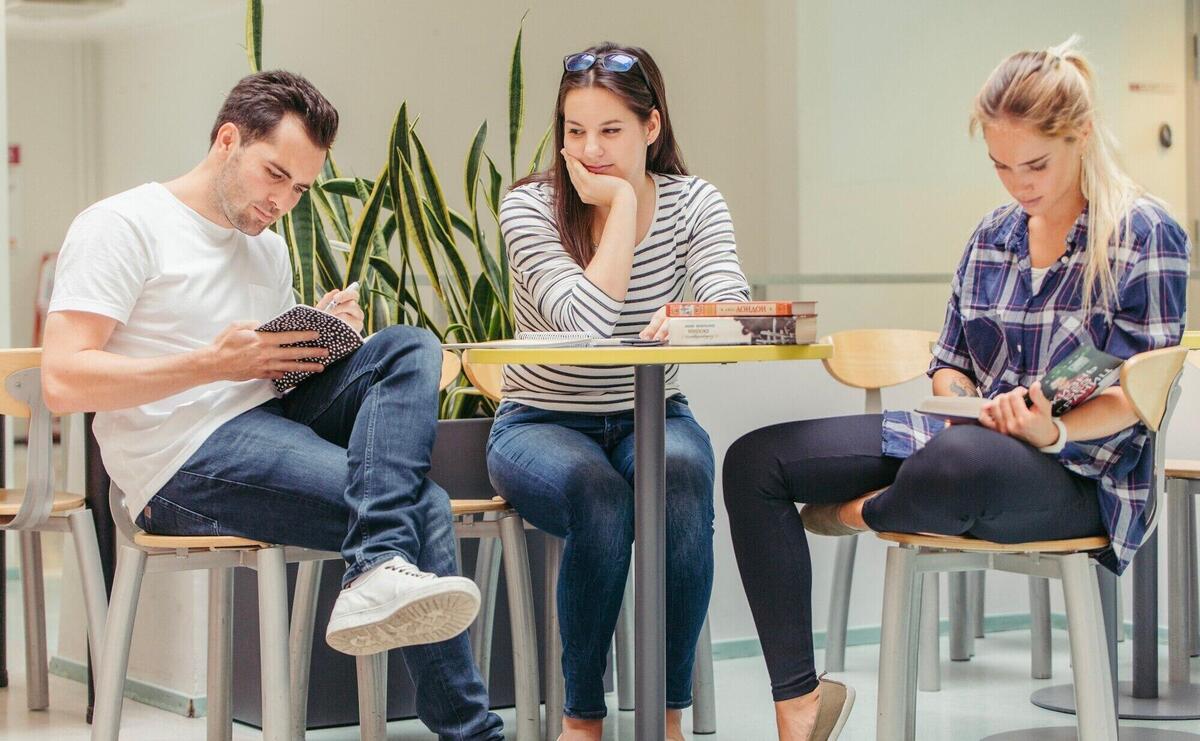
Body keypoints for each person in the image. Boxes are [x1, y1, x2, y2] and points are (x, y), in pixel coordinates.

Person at [722, 37, 1190, 741]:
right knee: (754, 461)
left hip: (1074, 471)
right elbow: (951, 361)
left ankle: (858, 512)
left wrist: (1050, 429)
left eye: (1036, 164)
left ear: (1082, 134)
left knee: (960, 466)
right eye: (1001, 165)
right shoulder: (992, 237)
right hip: (966, 439)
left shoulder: (1144, 234)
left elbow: (1137, 390)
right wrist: (958, 393)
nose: (1019, 184)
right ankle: (800, 707)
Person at [41, 70, 503, 739]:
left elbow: (264, 373)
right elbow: (63, 380)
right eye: (273, 174)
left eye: (301, 188)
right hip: (179, 459)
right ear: (227, 139)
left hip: (266, 421)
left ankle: (378, 564)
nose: (282, 200)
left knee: (409, 346)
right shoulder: (122, 225)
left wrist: (319, 332)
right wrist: (210, 364)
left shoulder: (269, 248)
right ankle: (469, 726)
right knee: (422, 504)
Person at [487, 42, 751, 740]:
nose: (590, 149)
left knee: (685, 474)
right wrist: (625, 205)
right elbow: (591, 322)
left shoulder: (696, 202)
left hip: (651, 413)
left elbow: (732, 304)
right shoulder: (529, 207)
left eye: (611, 131)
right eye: (575, 131)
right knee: (599, 496)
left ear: (652, 128)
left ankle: (663, 716)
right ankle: (583, 719)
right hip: (537, 422)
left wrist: (694, 318)